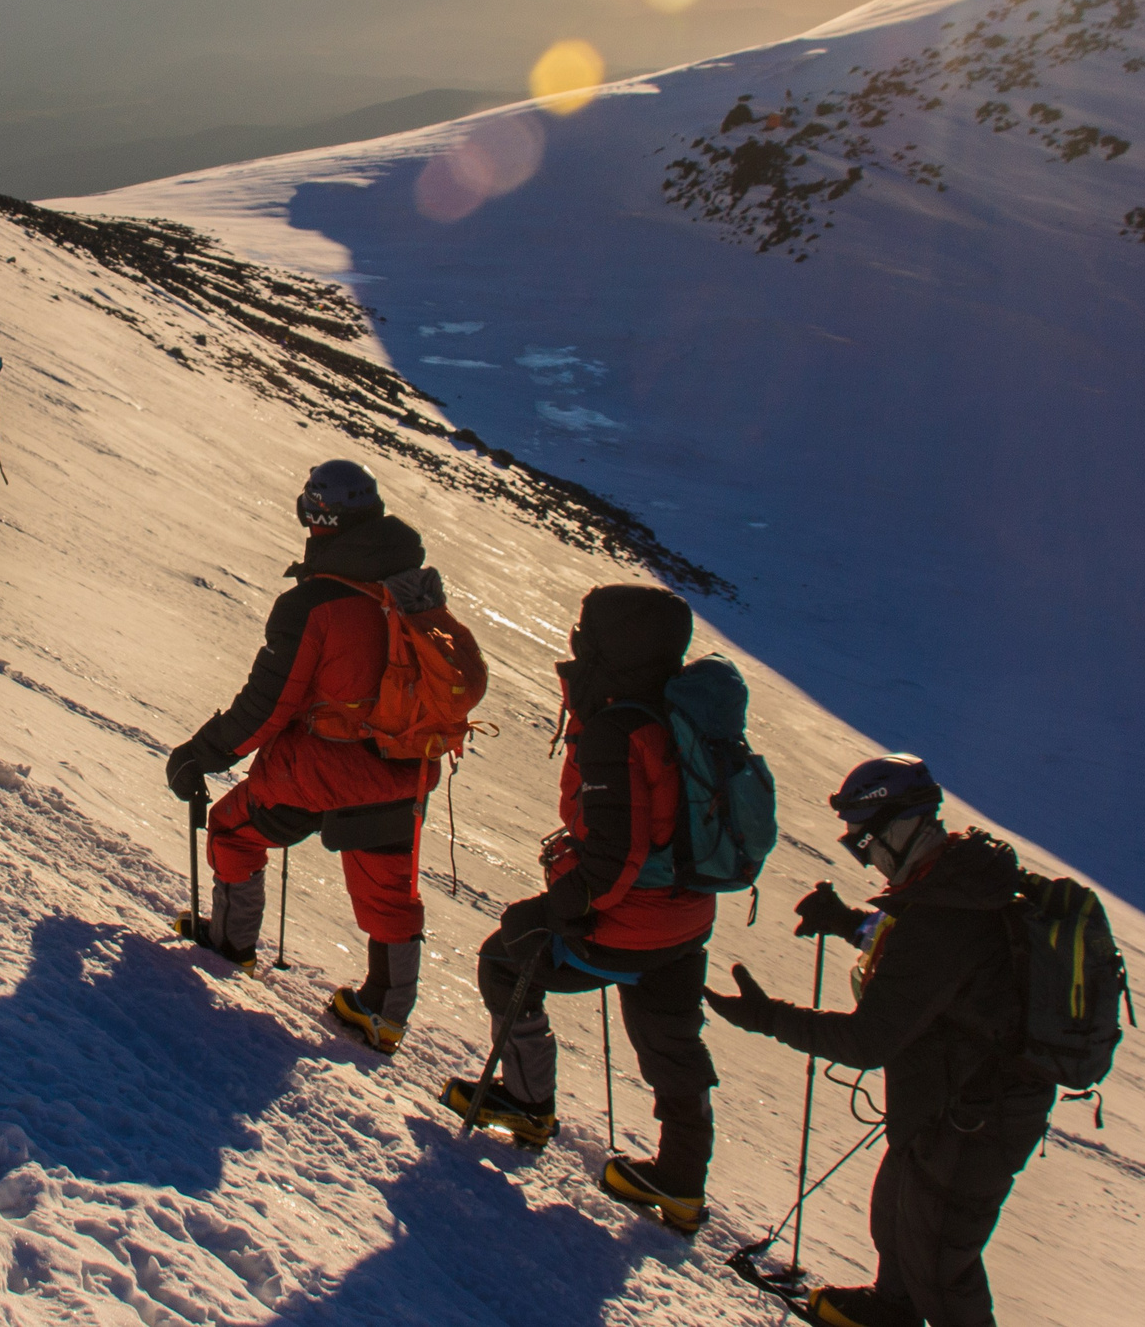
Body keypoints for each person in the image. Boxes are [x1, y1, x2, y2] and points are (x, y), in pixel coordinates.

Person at [705, 758, 1054, 1327]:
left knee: (942, 1263)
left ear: (901, 825)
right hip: (952, 1099)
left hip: (979, 1114)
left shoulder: (946, 910)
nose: (864, 857)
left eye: (864, 842)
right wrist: (848, 923)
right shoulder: (949, 884)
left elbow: (869, 1041)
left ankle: (904, 1306)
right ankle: (892, 1309)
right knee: (898, 1212)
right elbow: (929, 973)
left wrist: (768, 1016)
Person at [440, 583, 718, 1236]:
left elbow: (615, 853)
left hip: (629, 917)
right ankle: (681, 1184)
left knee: (506, 960)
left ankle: (528, 1105)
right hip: (687, 918)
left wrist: (562, 910)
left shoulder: (617, 729)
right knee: (671, 1038)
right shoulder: (673, 714)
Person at [164, 461, 459, 1054]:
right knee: (389, 892)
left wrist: (202, 754)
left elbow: (267, 705)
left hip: (325, 770)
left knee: (233, 830)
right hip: (407, 765)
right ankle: (384, 1013)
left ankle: (230, 945)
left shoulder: (315, 603)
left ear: (314, 516)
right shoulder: (414, 590)